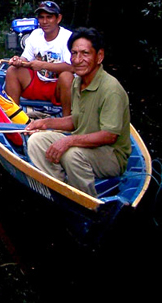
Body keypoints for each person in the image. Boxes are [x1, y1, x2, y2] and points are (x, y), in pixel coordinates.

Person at [26, 27, 132, 197]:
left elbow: (109, 136)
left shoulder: (111, 89)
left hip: (111, 155)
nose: (77, 59)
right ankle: (61, 187)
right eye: (74, 53)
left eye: (85, 53)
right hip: (85, 145)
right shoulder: (78, 83)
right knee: (36, 141)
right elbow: (76, 120)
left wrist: (68, 142)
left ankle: (85, 201)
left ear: (99, 56)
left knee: (72, 155)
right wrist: (44, 123)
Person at [5, 0, 74, 115]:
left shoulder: (68, 37)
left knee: (67, 77)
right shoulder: (35, 34)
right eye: (41, 18)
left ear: (58, 19)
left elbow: (72, 68)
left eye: (49, 17)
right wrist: (18, 61)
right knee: (12, 70)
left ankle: (66, 120)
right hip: (38, 83)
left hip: (58, 88)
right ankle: (14, 117)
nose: (45, 21)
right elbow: (25, 58)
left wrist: (43, 65)